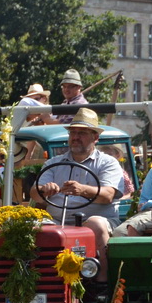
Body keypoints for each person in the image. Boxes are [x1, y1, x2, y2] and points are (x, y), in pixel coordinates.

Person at [29, 108, 126, 275]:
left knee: (95, 224)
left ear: (95, 137)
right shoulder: (54, 163)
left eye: (82, 133)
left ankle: (102, 285)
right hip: (57, 221)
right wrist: (45, 190)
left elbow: (108, 196)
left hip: (97, 221)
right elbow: (34, 194)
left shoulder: (108, 163)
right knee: (30, 227)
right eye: (73, 133)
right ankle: (38, 280)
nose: (75, 137)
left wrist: (82, 190)